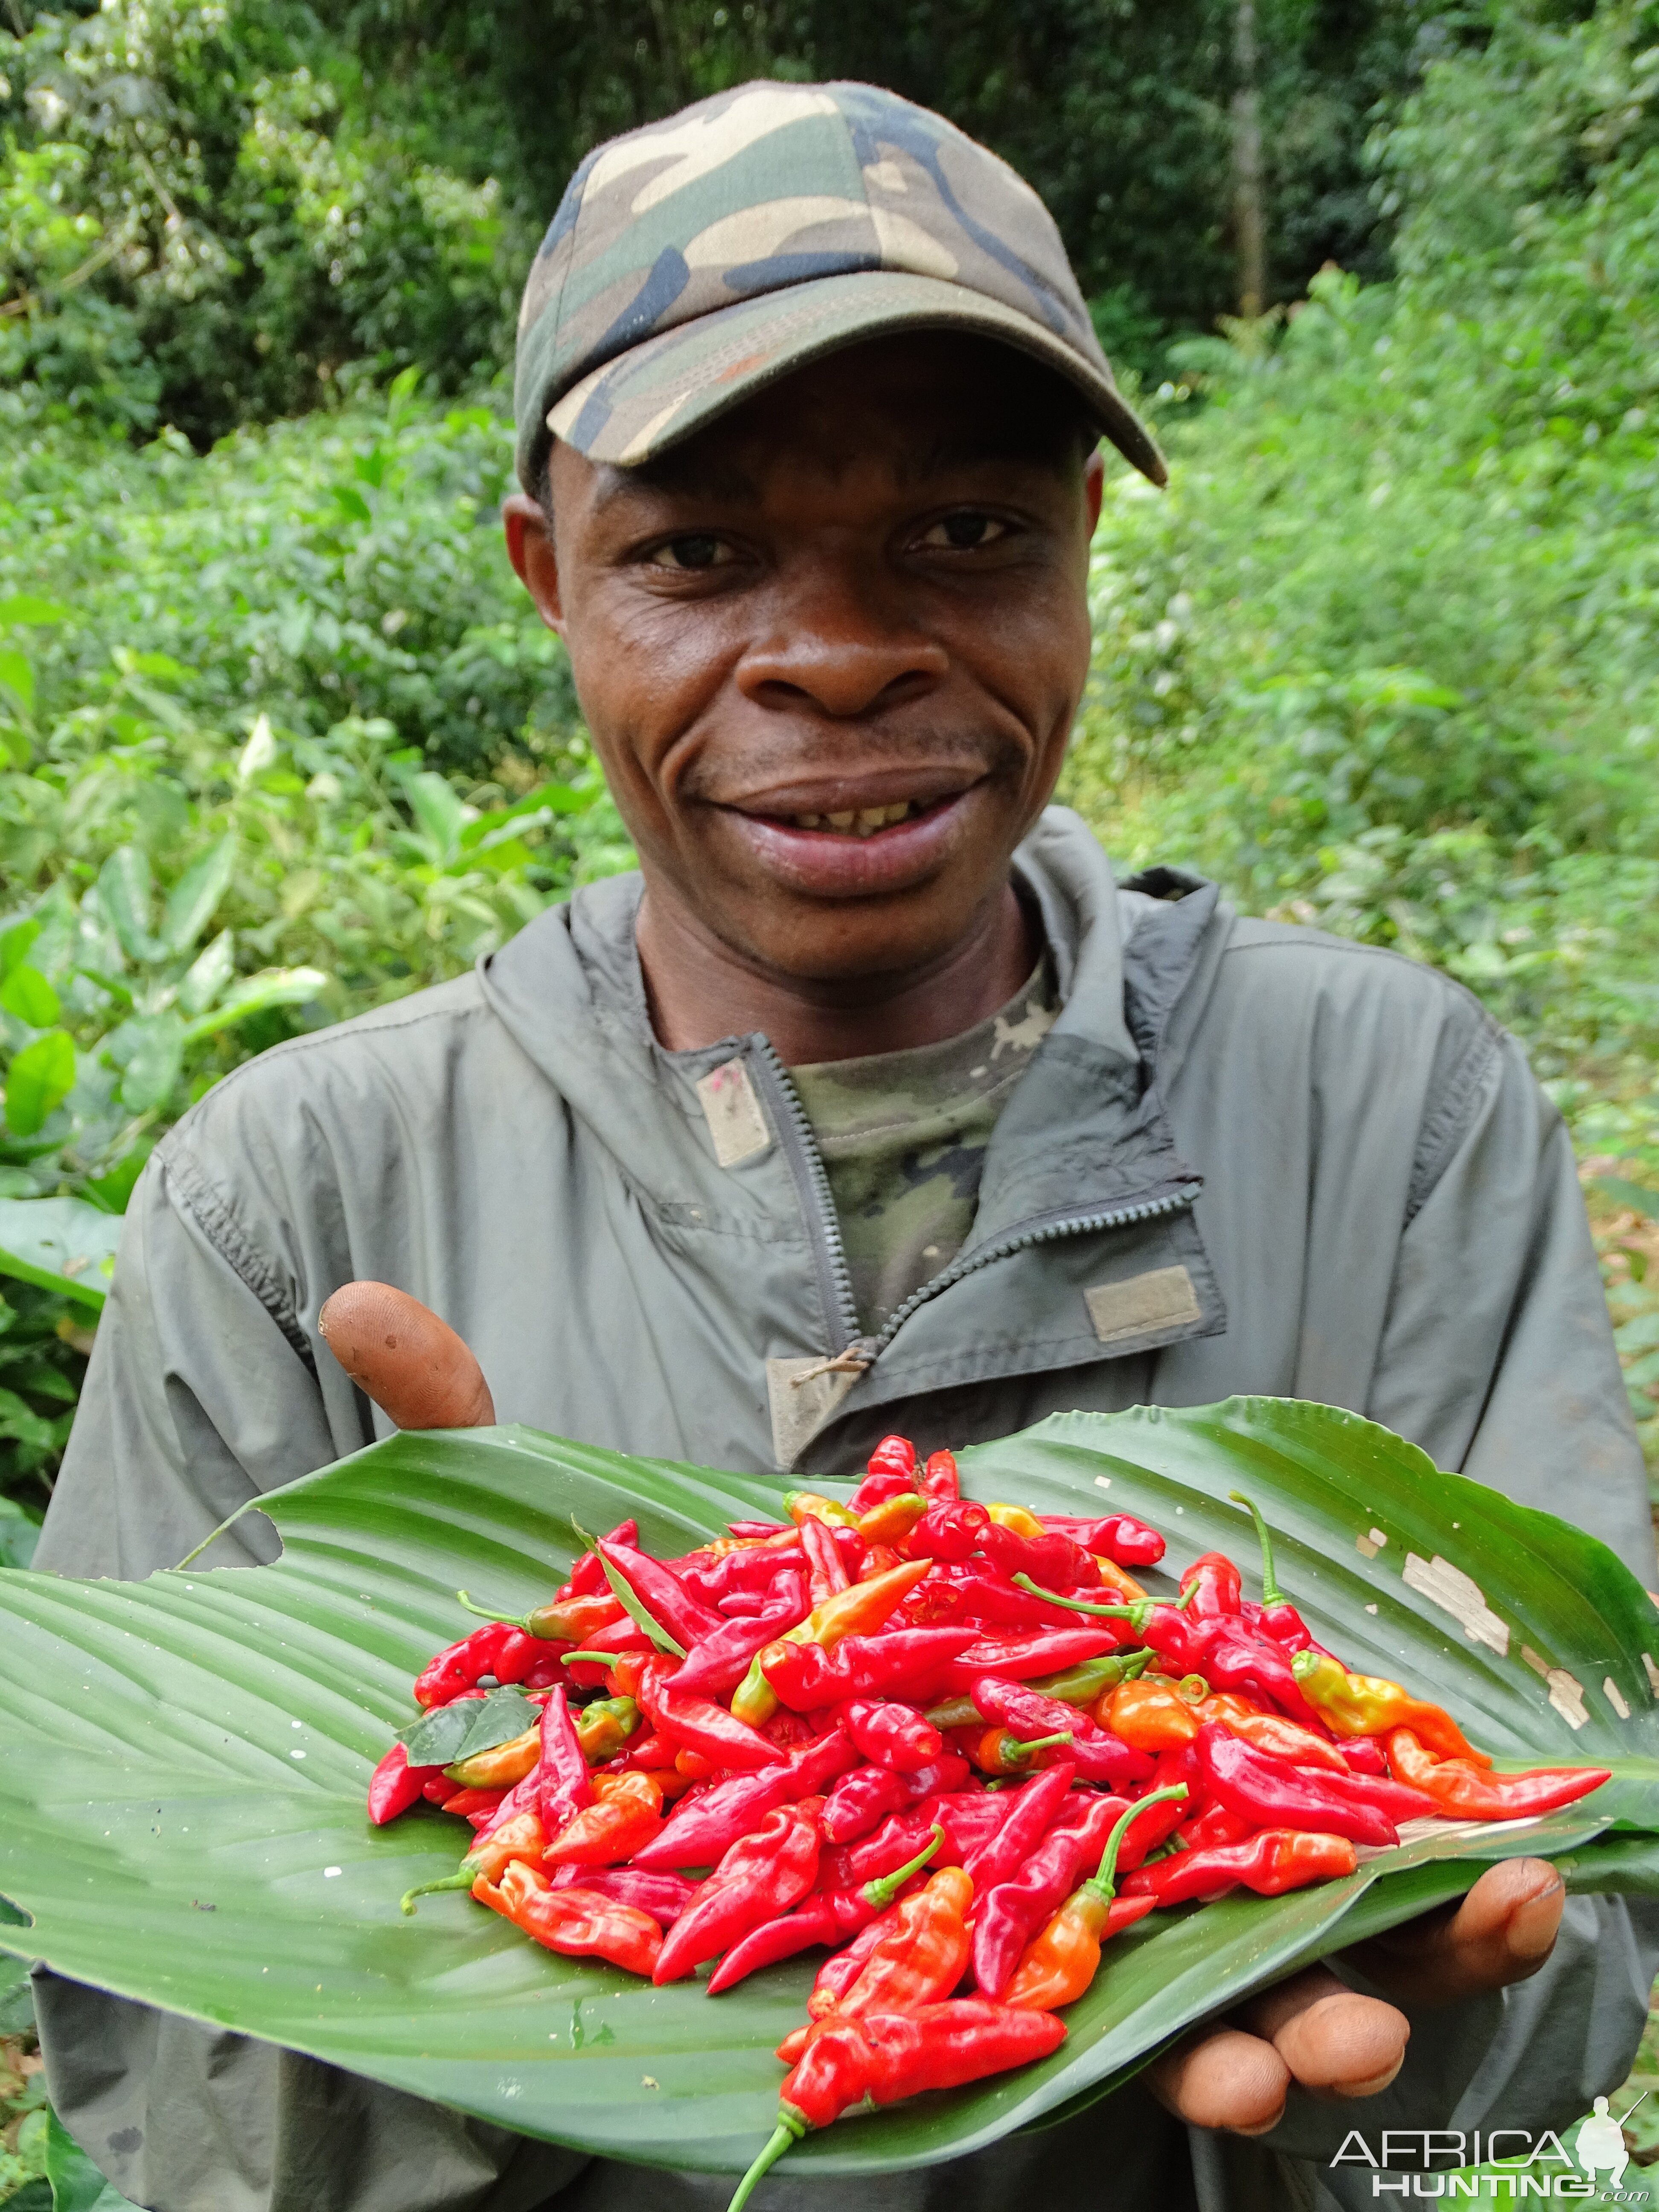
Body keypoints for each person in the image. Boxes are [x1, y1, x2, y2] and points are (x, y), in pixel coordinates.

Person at [32, 78, 1657, 2212]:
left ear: (1085, 537)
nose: (837, 652)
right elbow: (164, 2091)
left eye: (965, 535)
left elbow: (1566, 1942)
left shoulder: (1388, 1111)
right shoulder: (298, 1200)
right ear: (550, 577)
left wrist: (1414, 2005)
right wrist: (517, 1873)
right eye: (698, 554)